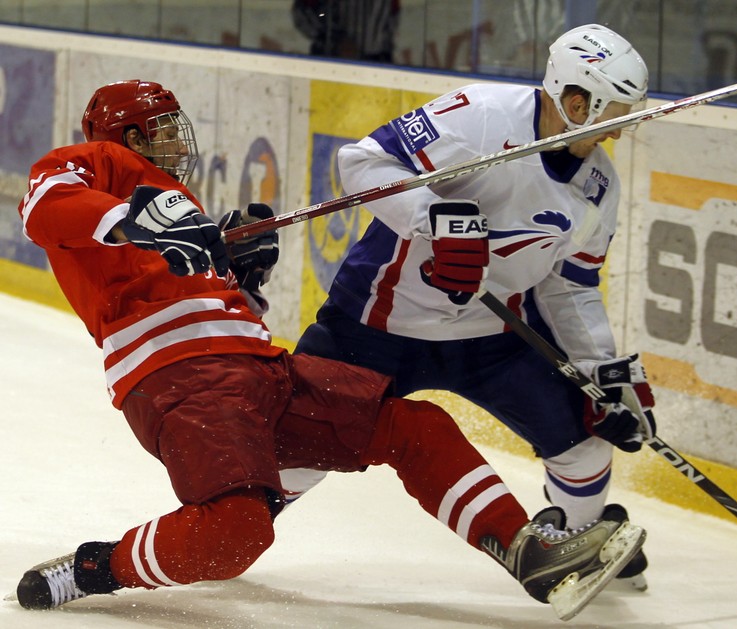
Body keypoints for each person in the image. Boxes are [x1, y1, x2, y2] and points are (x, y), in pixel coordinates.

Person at [13, 79, 644, 619]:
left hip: (260, 368)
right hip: (181, 379)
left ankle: (526, 550)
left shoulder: (181, 215)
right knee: (235, 536)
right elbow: (42, 204)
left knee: (412, 426)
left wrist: (242, 276)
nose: (178, 145)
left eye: (179, 130)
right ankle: (96, 568)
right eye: (160, 132)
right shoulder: (99, 168)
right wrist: (133, 218)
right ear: (124, 138)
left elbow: (217, 308)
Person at [294, 24, 656, 589]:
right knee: (297, 449)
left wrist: (599, 371)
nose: (619, 132)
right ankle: (229, 525)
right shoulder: (480, 115)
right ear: (575, 99)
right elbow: (362, 163)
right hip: (375, 324)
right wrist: (434, 220)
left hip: (493, 335)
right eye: (614, 112)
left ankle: (578, 551)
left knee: (584, 447)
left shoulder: (597, 186)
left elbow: (571, 286)